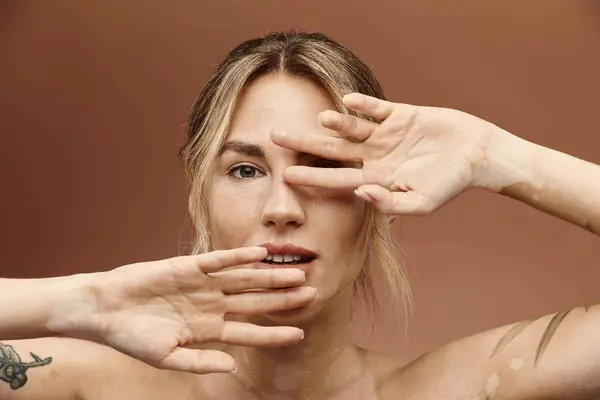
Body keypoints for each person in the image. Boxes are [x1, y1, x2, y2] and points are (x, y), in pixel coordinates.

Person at [1, 30, 599, 400]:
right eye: (245, 170)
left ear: (379, 206)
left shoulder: (455, 391)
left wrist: (498, 156)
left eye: (321, 170)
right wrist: (79, 303)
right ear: (198, 197)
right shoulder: (80, 384)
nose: (282, 209)